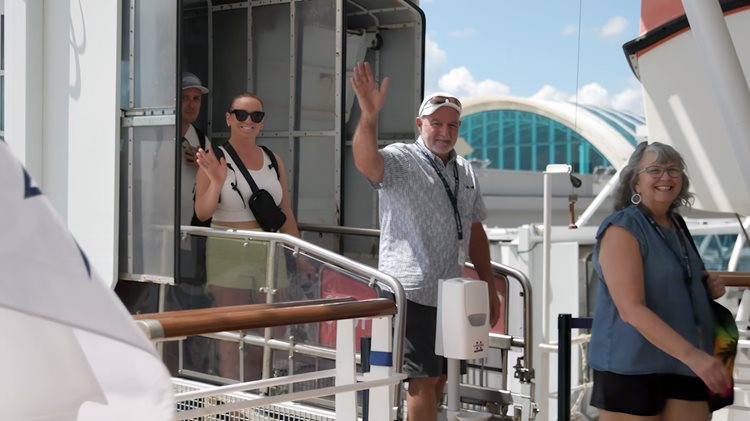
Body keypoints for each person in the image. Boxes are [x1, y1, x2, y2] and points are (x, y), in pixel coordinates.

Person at [350, 61, 501, 421]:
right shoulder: (403, 158)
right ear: (421, 125)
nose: (444, 131)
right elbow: (366, 163)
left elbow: (475, 228)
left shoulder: (465, 169)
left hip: (451, 289)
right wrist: (369, 115)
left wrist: (489, 282)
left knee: (442, 376)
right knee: (423, 378)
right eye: (436, 123)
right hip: (411, 290)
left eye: (451, 125)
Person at [588, 141, 731, 420]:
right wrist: (695, 356)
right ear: (635, 183)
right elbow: (631, 309)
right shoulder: (621, 228)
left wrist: (706, 288)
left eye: (673, 169)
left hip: (683, 362)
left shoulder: (677, 225)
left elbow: (672, 281)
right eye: (654, 169)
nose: (666, 177)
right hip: (632, 365)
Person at [194, 92, 300, 380]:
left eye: (256, 115)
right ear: (229, 118)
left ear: (262, 122)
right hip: (229, 251)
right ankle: (233, 400)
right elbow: (202, 212)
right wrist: (216, 182)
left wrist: (301, 254)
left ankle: (260, 392)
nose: (248, 121)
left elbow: (285, 210)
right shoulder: (214, 157)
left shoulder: (272, 159)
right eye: (241, 114)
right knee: (232, 331)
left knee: (271, 330)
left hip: (269, 250)